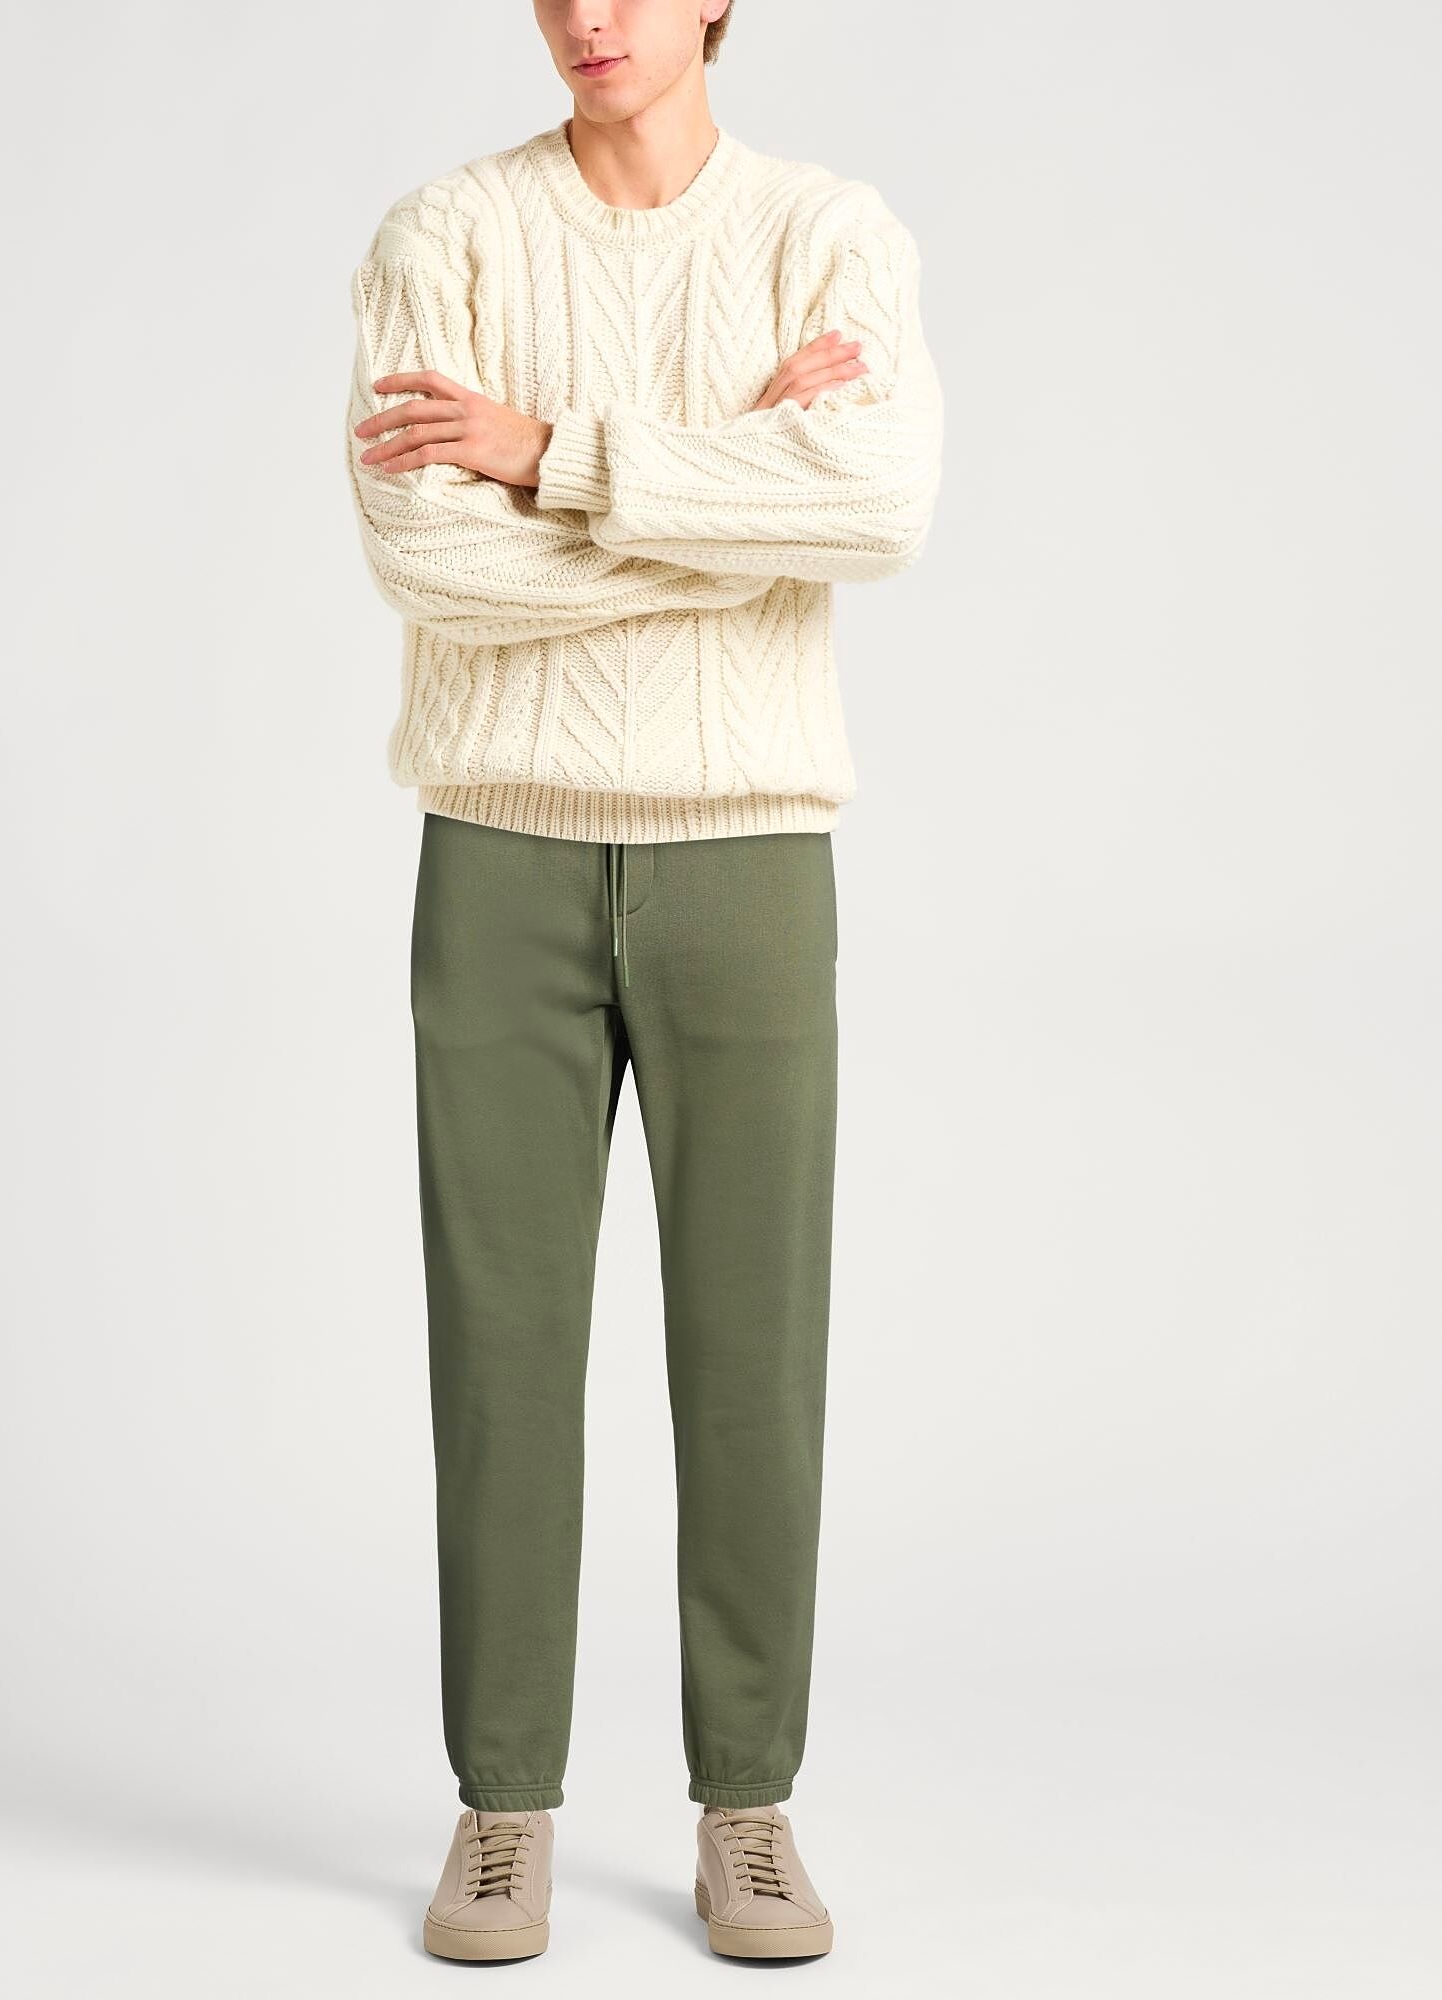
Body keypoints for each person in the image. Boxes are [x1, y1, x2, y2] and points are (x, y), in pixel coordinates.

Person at [344, 0, 942, 1964]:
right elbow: (430, 563)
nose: (591, 15)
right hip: (498, 850)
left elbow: (877, 506)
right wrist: (731, 491)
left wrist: (557, 456)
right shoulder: (445, 240)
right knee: (500, 1344)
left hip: (746, 851)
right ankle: (500, 1808)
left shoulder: (827, 234)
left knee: (754, 1349)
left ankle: (747, 1807)